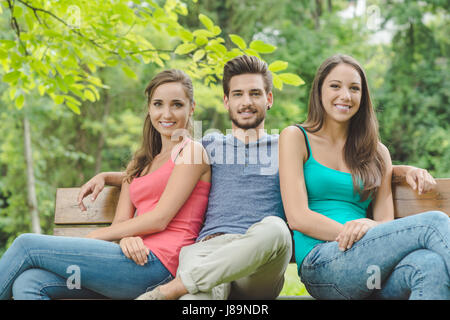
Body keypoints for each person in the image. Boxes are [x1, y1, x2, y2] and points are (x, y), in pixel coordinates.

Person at [79, 55, 437, 300]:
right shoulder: (207, 146)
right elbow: (163, 172)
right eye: (238, 94)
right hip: (208, 250)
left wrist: (400, 171)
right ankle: (186, 286)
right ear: (225, 102)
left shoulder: (288, 144)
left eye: (255, 94)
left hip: (263, 258)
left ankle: (178, 286)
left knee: (275, 228)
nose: (246, 102)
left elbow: (344, 164)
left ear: (269, 99)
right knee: (199, 297)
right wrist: (111, 177)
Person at [0, 69, 211, 300]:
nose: (166, 113)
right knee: (30, 282)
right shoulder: (140, 163)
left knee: (26, 245)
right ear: (149, 108)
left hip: (158, 266)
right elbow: (121, 221)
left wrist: (97, 235)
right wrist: (127, 237)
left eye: (177, 105)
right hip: (124, 263)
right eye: (158, 104)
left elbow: (160, 218)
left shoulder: (192, 152)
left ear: (192, 108)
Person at [279, 54, 449, 300]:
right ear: (319, 91)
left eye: (354, 88)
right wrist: (357, 235)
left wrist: (371, 229)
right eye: (335, 86)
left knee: (430, 265)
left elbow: (384, 222)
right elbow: (297, 217)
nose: (345, 96)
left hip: (372, 269)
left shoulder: (378, 153)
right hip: (323, 262)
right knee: (434, 222)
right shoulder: (295, 137)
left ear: (363, 96)